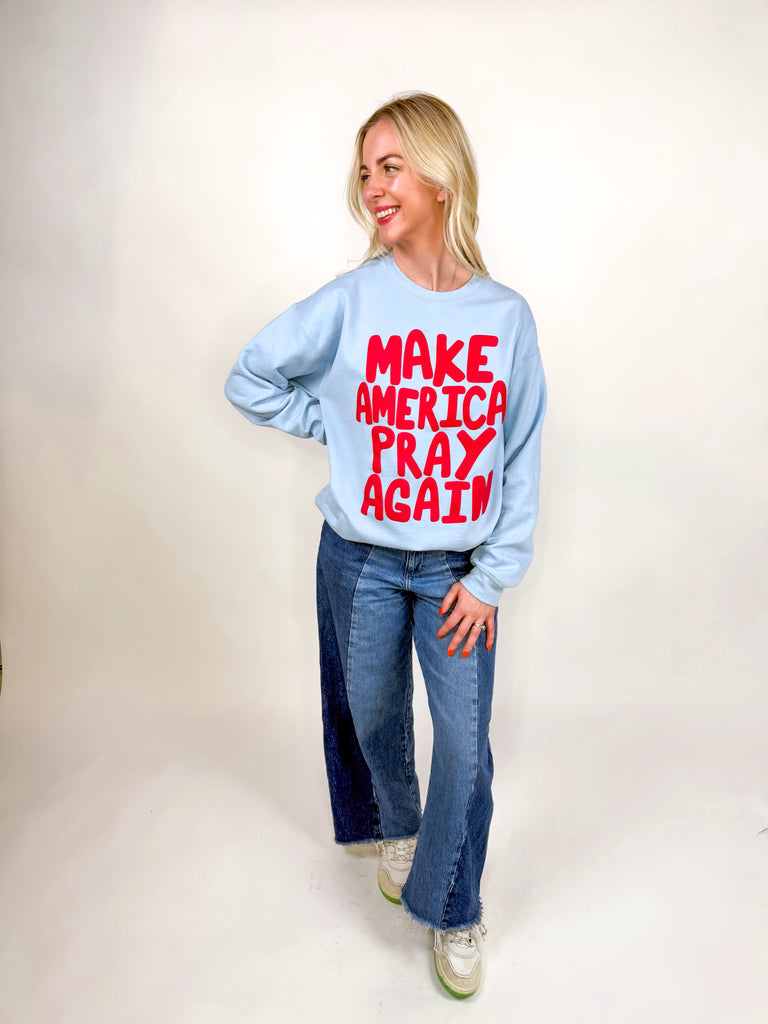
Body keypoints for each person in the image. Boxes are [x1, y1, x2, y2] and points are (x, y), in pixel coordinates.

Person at [225, 92, 546, 998]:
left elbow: (518, 459)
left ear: (441, 175)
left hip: (456, 572)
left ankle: (455, 904)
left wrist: (492, 579)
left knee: (467, 745)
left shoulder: (505, 318)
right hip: (359, 559)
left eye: (391, 165)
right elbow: (250, 376)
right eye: (365, 171)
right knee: (371, 717)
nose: (373, 186)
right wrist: (336, 424)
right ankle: (398, 828)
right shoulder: (352, 298)